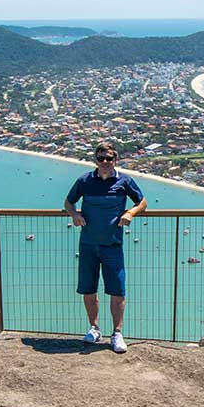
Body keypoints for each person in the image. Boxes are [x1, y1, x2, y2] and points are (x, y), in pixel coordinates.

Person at [64, 142, 147, 353]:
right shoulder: (84, 180)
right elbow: (68, 202)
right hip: (88, 244)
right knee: (88, 288)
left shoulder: (124, 181)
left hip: (113, 244)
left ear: (115, 160)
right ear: (95, 160)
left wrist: (130, 213)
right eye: (101, 158)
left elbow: (143, 202)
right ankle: (94, 328)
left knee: (117, 290)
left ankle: (117, 333)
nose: (105, 162)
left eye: (109, 158)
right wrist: (74, 215)